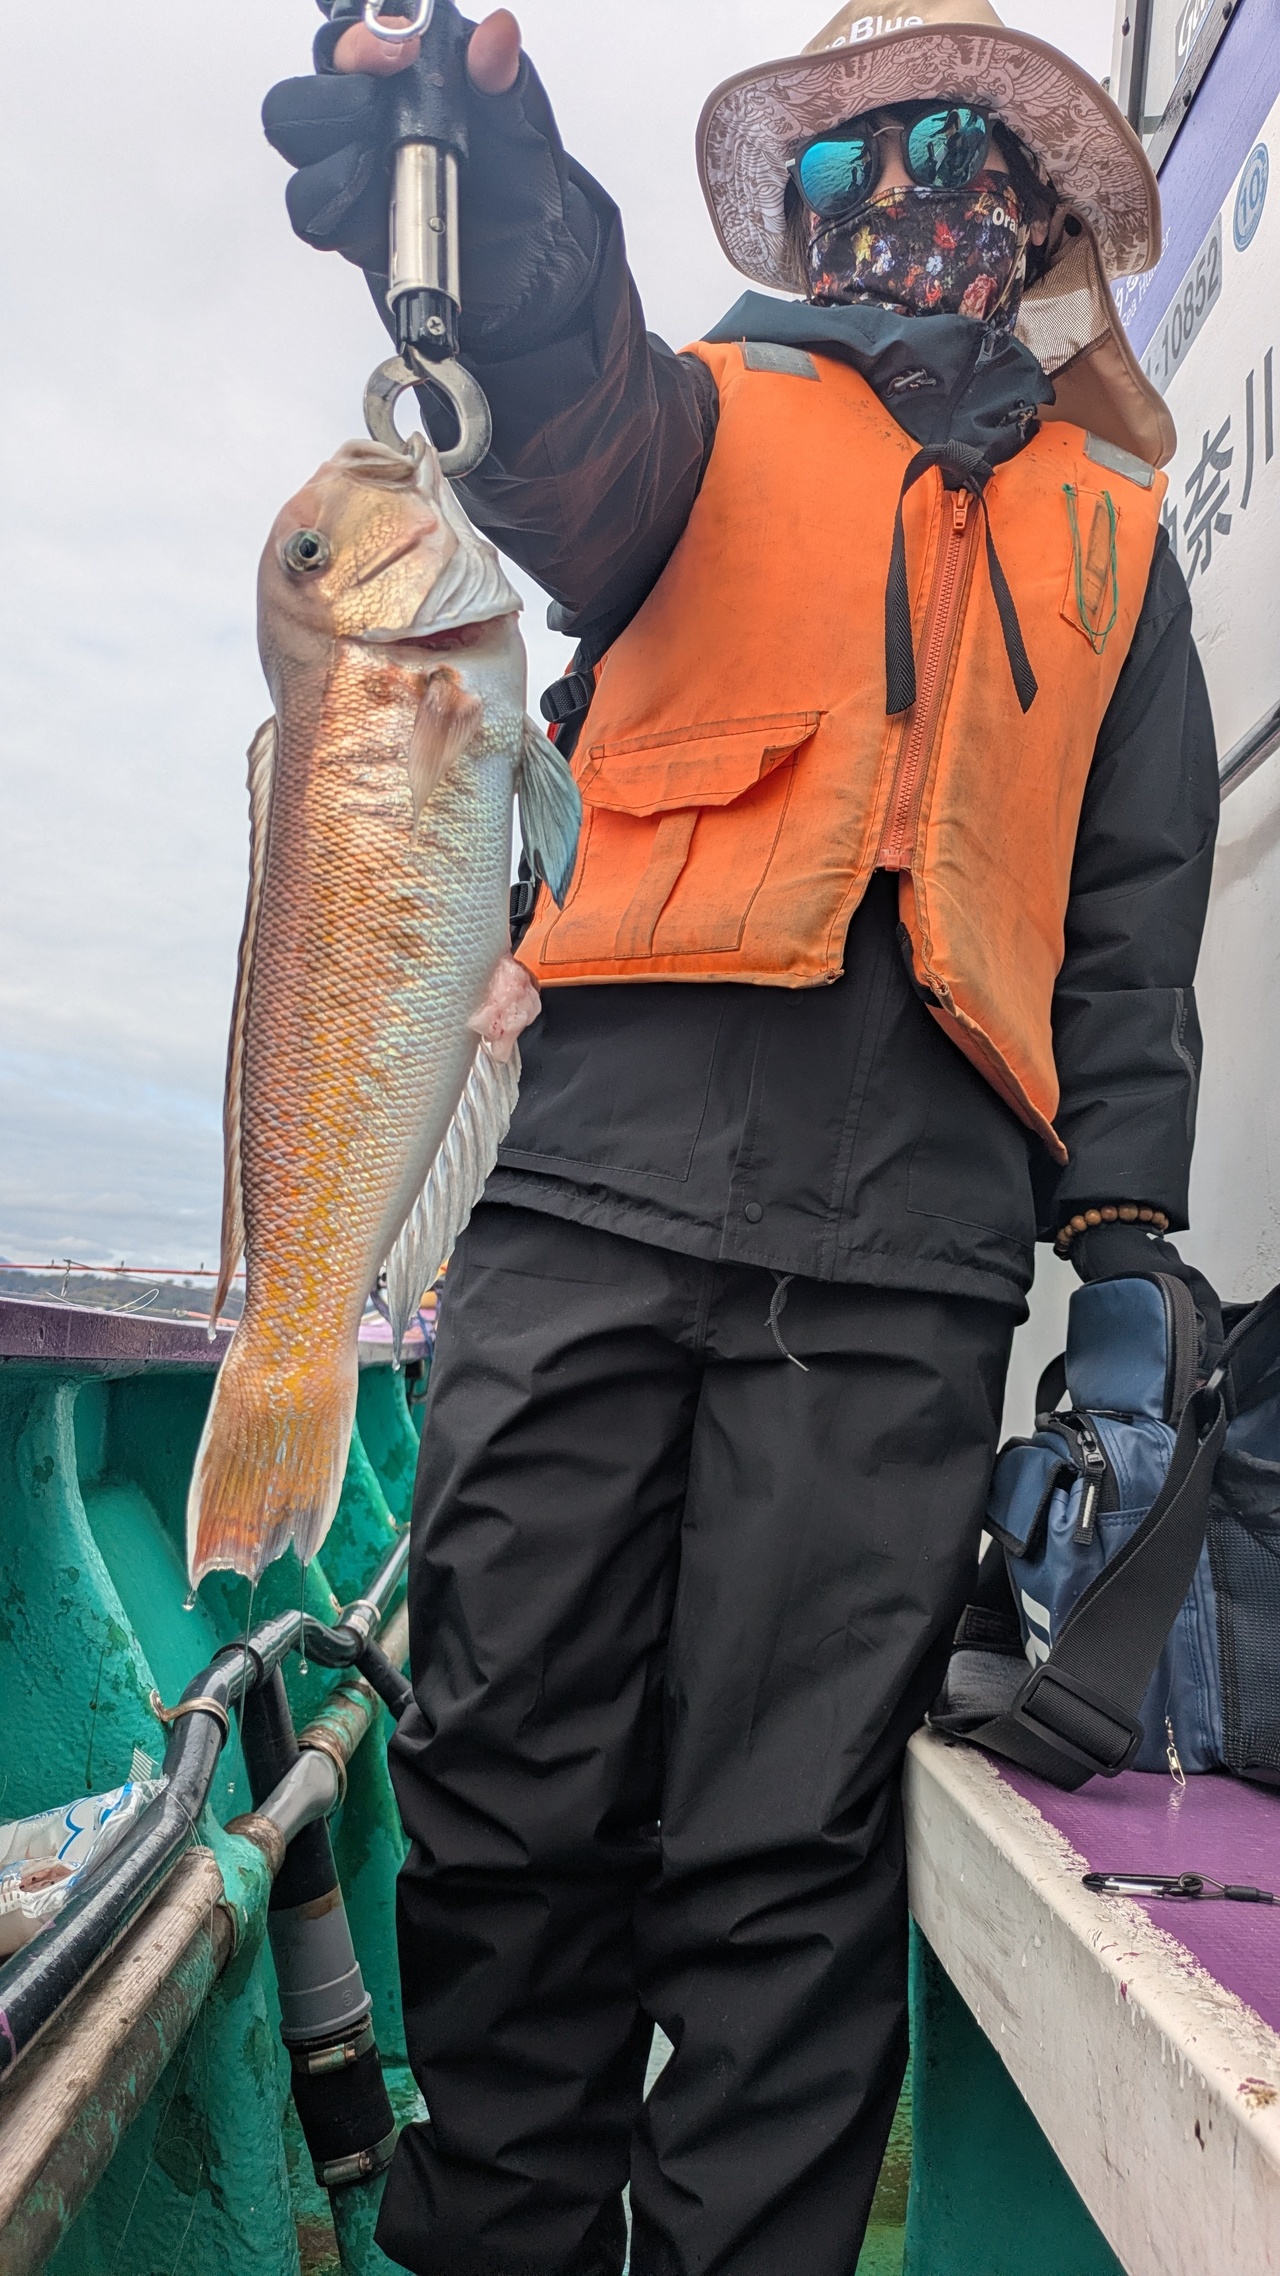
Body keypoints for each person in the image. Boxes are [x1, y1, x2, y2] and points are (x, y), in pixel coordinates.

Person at [264, 5, 1221, 2270]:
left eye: (975, 163)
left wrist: (1120, 1251)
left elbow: (1129, 927)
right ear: (806, 202)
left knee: (787, 1857)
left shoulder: (1120, 543)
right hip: (594, 1194)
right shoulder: (687, 418)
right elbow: (557, 400)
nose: (919, 193)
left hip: (907, 1263)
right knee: (506, 1781)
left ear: (1038, 234)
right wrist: (492, 196)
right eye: (867, 152)